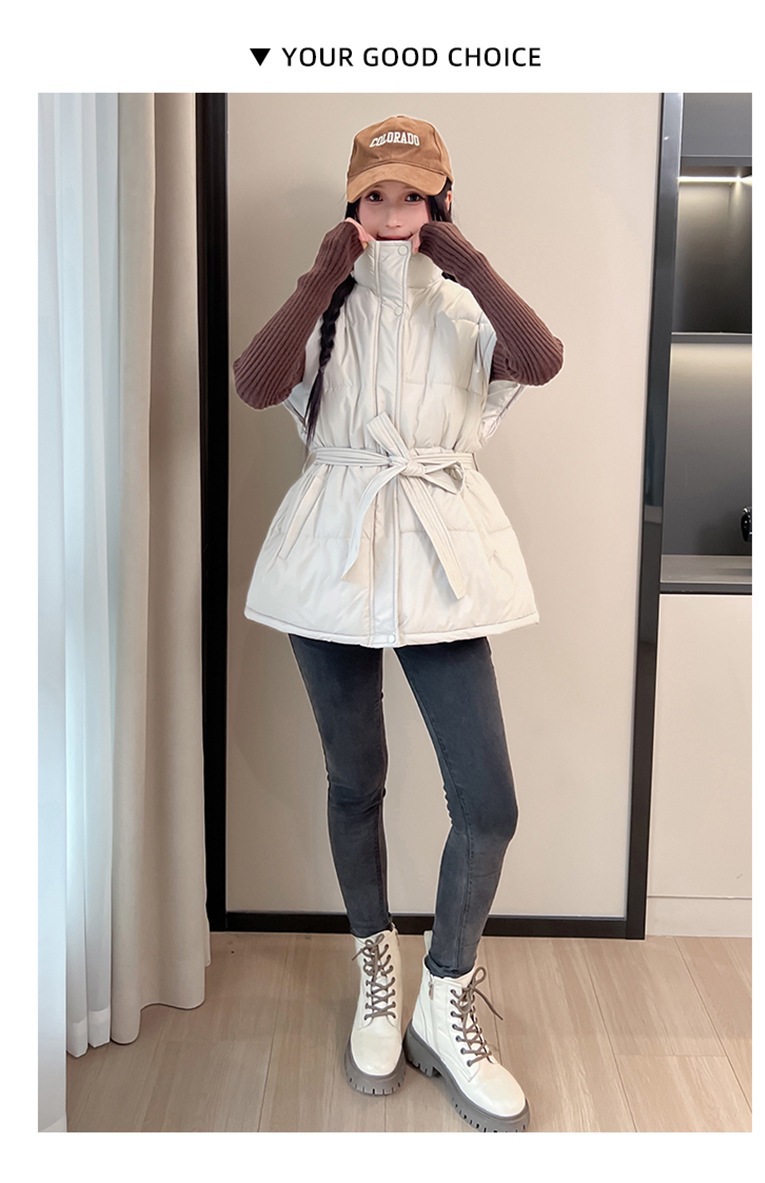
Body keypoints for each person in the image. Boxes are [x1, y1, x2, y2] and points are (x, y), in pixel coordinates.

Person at [233, 115, 563, 1133]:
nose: (391, 213)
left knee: (488, 801)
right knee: (356, 780)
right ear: (352, 205)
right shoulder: (323, 308)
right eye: (374, 195)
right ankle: (378, 971)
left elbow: (542, 359)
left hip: (440, 556)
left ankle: (442, 995)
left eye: (411, 194)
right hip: (331, 553)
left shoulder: (463, 304)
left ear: (438, 203)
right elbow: (254, 384)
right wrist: (319, 275)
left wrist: (469, 261)